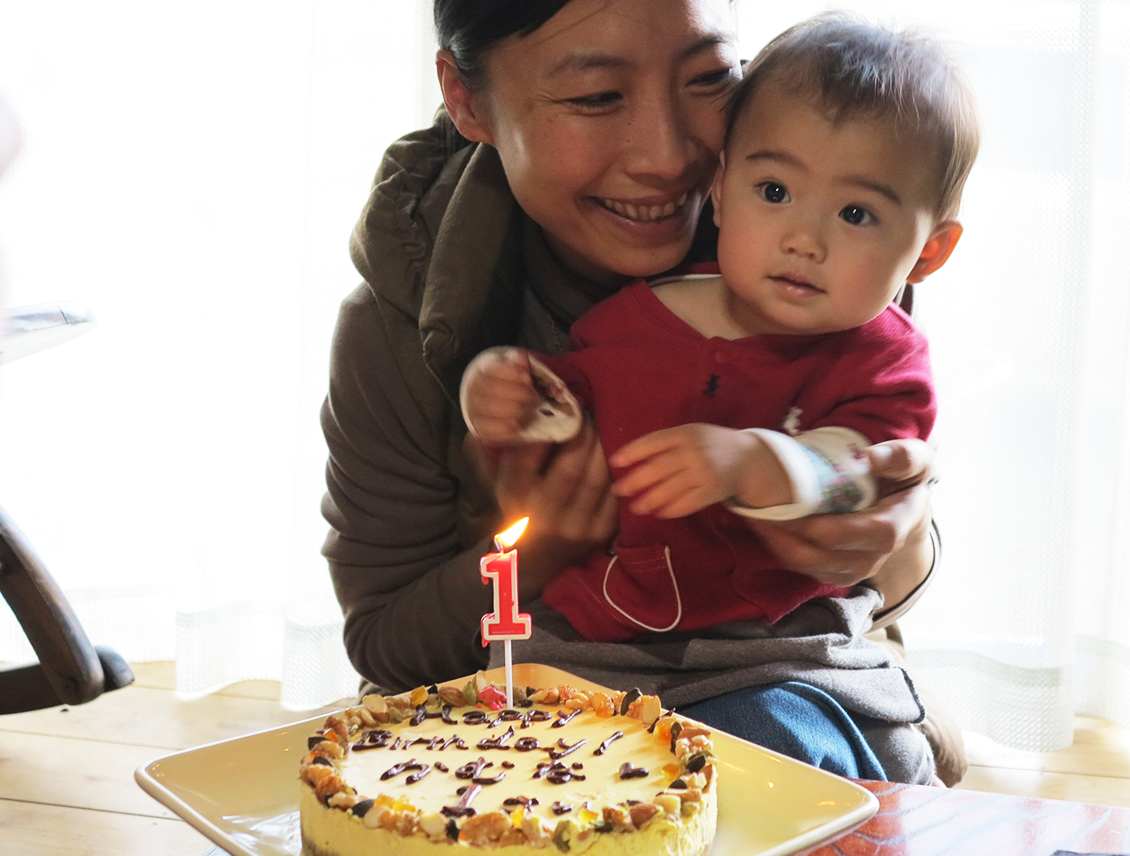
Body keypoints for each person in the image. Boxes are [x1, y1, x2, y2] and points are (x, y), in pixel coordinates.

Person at [321, 0, 961, 785]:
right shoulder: (404, 323)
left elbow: (876, 577)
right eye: (596, 96)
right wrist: (538, 538)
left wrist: (887, 525)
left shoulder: (830, 241)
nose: (666, 157)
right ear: (466, 99)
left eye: (708, 78)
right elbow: (390, 647)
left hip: (795, 679)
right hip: (542, 698)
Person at [459, 13, 976, 649]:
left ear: (928, 251)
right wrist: (501, 395)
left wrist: (756, 462)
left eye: (855, 213)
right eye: (775, 191)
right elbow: (563, 408)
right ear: (724, 189)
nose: (804, 240)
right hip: (608, 633)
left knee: (833, 741)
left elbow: (859, 469)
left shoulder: (883, 357)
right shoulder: (636, 318)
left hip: (780, 655)